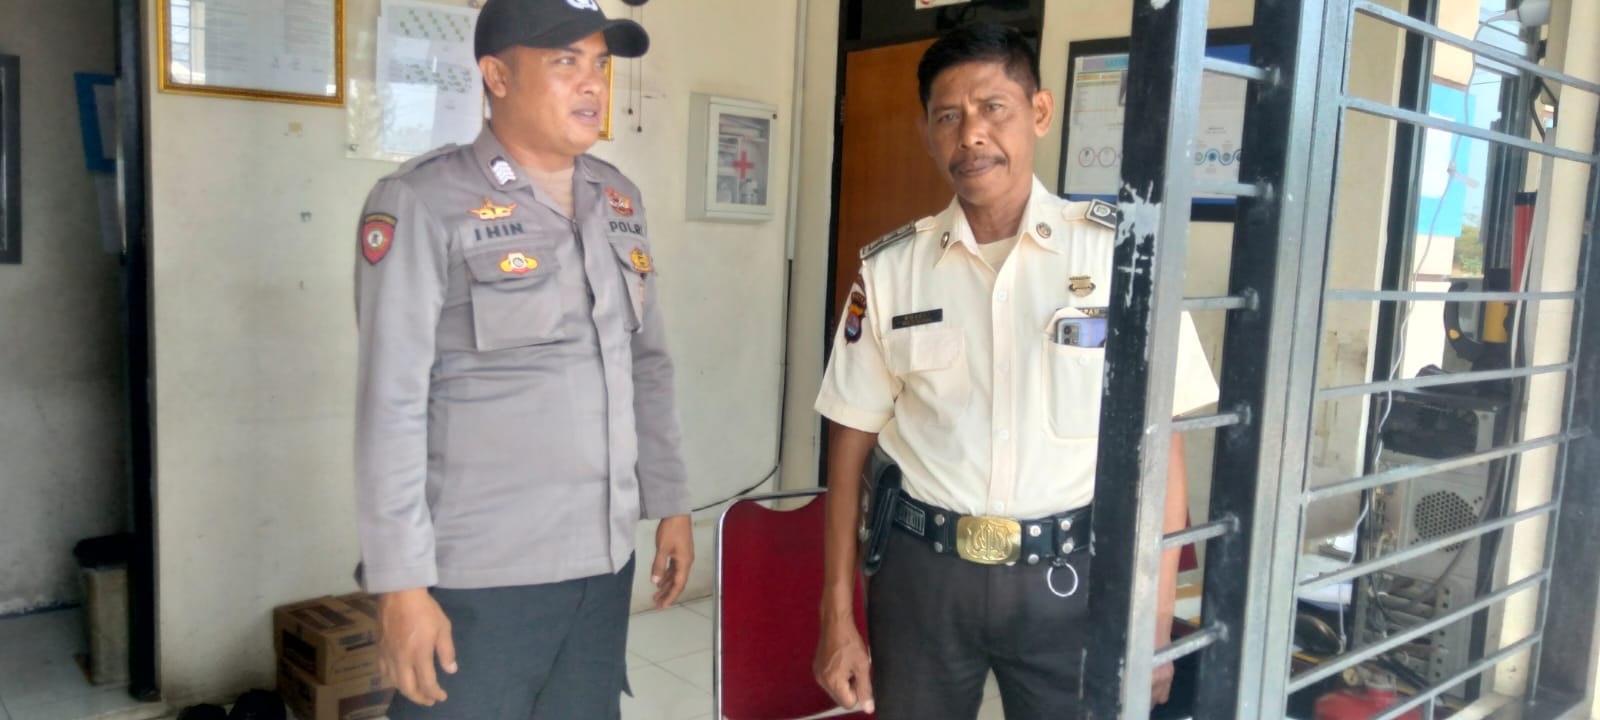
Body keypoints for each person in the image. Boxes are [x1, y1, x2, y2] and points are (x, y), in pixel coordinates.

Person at [811, 23, 1219, 720]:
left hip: (1072, 579)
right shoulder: (890, 273)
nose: (971, 134)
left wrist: (1154, 623)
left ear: (1040, 112)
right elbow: (848, 446)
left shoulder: (1124, 260)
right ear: (928, 134)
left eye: (993, 108)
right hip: (923, 579)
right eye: (948, 116)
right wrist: (837, 614)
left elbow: (1164, 450)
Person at [351, 0, 693, 717]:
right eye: (565, 61)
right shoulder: (423, 201)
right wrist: (400, 583)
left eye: (600, 63)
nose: (593, 83)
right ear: (497, 76)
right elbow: (391, 402)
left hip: (604, 565)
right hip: (479, 576)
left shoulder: (618, 198)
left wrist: (669, 503)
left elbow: (648, 365)